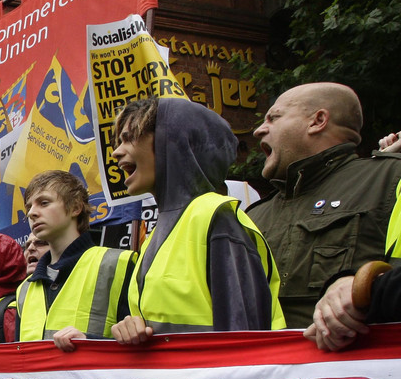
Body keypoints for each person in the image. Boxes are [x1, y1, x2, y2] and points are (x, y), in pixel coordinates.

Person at [109, 97, 285, 345]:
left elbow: (245, 346)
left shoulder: (215, 216)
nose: (116, 152)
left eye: (129, 138)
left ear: (171, 142)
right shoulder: (157, 236)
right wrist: (133, 327)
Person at [247, 82, 401, 328]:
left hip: (361, 364)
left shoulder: (391, 180)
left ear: (318, 121)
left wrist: (363, 288)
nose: (258, 131)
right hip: (261, 364)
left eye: (273, 118)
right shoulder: (254, 215)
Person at [14, 170, 134, 351]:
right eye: (29, 207)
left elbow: (142, 347)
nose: (32, 213)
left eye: (44, 203)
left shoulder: (119, 264)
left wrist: (89, 342)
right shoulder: (24, 290)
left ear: (76, 208)